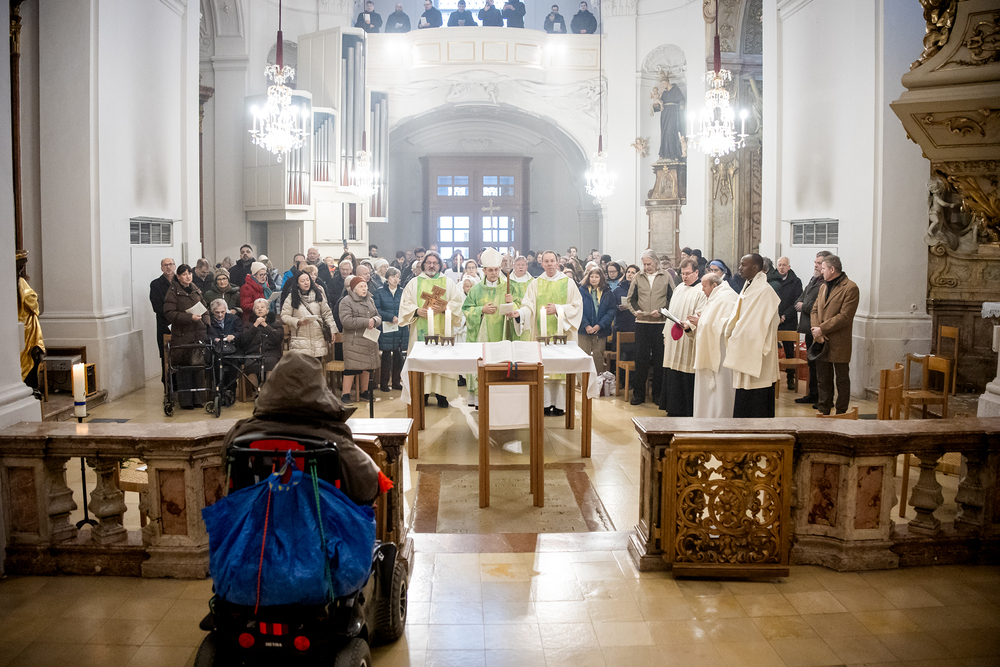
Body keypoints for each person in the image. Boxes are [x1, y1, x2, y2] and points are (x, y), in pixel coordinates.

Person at [220, 351, 382, 506]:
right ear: (319, 389)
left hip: (254, 522)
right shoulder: (334, 441)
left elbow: (228, 476)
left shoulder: (239, 434)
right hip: (320, 524)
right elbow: (367, 489)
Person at [511, 250, 584, 416]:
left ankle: (560, 405)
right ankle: (543, 404)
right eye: (546, 261)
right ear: (542, 264)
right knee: (543, 370)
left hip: (563, 336)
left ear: (557, 263)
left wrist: (558, 309)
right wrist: (519, 313)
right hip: (541, 336)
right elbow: (528, 306)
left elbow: (577, 305)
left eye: (552, 261)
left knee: (561, 369)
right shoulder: (535, 283)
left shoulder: (568, 283)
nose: (550, 264)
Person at [399, 252, 465, 408]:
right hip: (420, 332)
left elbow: (457, 303)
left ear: (440, 265)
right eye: (428, 262)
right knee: (422, 362)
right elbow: (405, 303)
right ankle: (422, 394)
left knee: (443, 362)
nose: (431, 265)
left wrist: (445, 308)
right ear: (423, 265)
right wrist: (416, 311)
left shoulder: (448, 283)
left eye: (435, 263)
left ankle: (442, 396)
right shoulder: (414, 283)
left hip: (443, 331)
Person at [723, 253, 780, 418]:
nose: (739, 268)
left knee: (756, 394)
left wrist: (736, 333)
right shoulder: (749, 286)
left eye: (743, 265)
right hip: (746, 346)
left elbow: (758, 323)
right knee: (745, 392)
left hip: (757, 350)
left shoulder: (764, 291)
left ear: (755, 267)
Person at [461, 249, 512, 407]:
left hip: (501, 333)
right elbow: (466, 309)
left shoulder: (508, 287)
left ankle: (499, 398)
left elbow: (518, 307)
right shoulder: (476, 289)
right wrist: (481, 310)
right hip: (480, 335)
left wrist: (511, 303)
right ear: (484, 271)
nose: (494, 273)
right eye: (490, 270)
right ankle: (479, 399)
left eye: (496, 269)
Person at [811, 255, 859, 416]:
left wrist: (822, 329)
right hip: (821, 339)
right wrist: (816, 331)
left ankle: (841, 412)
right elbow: (815, 309)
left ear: (832, 269)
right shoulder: (823, 287)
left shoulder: (850, 288)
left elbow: (845, 317)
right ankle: (824, 410)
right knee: (823, 378)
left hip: (839, 341)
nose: (821, 271)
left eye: (824, 268)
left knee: (842, 379)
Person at [658, 258, 707, 417]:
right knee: (672, 372)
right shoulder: (679, 288)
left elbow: (700, 314)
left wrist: (689, 325)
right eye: (683, 273)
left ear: (696, 272)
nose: (685, 276)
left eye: (688, 273)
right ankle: (672, 408)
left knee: (685, 374)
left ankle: (685, 411)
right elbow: (671, 312)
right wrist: (666, 334)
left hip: (688, 339)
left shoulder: (701, 291)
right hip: (674, 339)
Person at [625, 250, 672, 405]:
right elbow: (631, 299)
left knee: (659, 360)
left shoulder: (666, 276)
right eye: (644, 264)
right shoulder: (638, 277)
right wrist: (636, 312)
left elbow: (672, 298)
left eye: (649, 264)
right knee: (641, 360)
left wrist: (662, 312)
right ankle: (638, 394)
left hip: (660, 324)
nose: (646, 267)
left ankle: (658, 394)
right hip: (642, 324)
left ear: (656, 262)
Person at [691, 273, 740, 418]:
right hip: (710, 347)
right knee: (706, 390)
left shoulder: (727, 297)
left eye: (704, 286)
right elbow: (711, 319)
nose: (702, 290)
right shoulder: (715, 297)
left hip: (721, 351)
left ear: (714, 285)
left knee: (720, 389)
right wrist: (701, 321)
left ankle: (720, 418)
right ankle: (704, 417)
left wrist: (701, 322)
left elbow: (729, 325)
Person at [163, 264, 209, 407]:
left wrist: (206, 323)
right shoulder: (173, 292)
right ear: (178, 277)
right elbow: (169, 313)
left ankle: (199, 400)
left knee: (198, 366)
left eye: (189, 273)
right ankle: (186, 401)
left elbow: (205, 308)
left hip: (198, 334)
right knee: (185, 369)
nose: (188, 276)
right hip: (182, 335)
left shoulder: (196, 290)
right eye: (184, 274)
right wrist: (190, 318)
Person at [794, 251, 832, 406]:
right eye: (815, 263)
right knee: (811, 364)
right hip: (808, 328)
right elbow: (802, 297)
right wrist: (800, 303)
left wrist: (804, 306)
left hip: (818, 329)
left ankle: (822, 397)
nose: (815, 266)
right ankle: (813, 394)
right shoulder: (814, 279)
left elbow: (819, 307)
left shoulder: (826, 284)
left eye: (819, 263)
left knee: (820, 365)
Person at [339, 276, 382, 404]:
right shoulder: (346, 301)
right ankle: (345, 394)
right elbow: (346, 321)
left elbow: (378, 316)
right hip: (354, 340)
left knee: (367, 367)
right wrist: (366, 322)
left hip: (369, 339)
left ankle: (364, 392)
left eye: (365, 286)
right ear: (354, 289)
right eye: (361, 287)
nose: (364, 289)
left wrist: (374, 320)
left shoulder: (370, 300)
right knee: (351, 368)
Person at [281, 272, 338, 362]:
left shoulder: (318, 295)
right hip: (300, 340)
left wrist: (332, 329)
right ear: (297, 284)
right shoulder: (291, 297)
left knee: (316, 367)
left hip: (317, 338)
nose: (306, 283)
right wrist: (297, 321)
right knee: (302, 368)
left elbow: (327, 313)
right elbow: (284, 316)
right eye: (302, 281)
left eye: (308, 280)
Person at [374, 267, 407, 392]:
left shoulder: (403, 292)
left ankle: (396, 382)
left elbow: (406, 307)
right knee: (386, 356)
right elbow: (377, 310)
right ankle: (384, 383)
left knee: (398, 356)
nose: (395, 279)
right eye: (393, 277)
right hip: (386, 326)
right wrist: (390, 317)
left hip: (400, 326)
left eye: (397, 277)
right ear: (387, 278)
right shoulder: (379, 292)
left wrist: (400, 317)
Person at [205, 298, 243, 404]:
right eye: (217, 312)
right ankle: (219, 391)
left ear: (226, 310)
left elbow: (241, 333)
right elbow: (205, 335)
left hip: (232, 349)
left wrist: (233, 336)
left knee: (233, 363)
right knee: (216, 363)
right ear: (212, 312)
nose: (220, 315)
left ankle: (230, 391)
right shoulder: (208, 321)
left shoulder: (234, 319)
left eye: (222, 312)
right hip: (216, 350)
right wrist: (214, 339)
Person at [237, 298, 283, 385]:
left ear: (267, 310)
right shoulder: (248, 324)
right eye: (257, 308)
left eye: (262, 307)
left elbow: (278, 338)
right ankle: (256, 391)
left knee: (271, 365)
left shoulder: (275, 323)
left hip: (270, 353)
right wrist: (255, 326)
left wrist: (265, 326)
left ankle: (267, 391)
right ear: (254, 311)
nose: (260, 309)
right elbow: (244, 341)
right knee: (250, 366)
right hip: (253, 353)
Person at [774, 256, 803, 391]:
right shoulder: (772, 280)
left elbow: (797, 301)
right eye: (779, 265)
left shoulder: (796, 281)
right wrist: (775, 316)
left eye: (784, 265)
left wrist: (784, 316)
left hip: (789, 320)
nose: (781, 267)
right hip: (774, 319)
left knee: (789, 351)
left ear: (789, 267)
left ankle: (790, 378)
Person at [579, 267, 614, 374]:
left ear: (601, 278)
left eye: (597, 277)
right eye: (591, 276)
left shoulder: (607, 292)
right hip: (584, 329)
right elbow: (578, 309)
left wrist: (600, 325)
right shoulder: (581, 291)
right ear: (588, 277)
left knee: (598, 356)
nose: (594, 279)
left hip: (600, 330)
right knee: (584, 355)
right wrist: (586, 325)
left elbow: (611, 310)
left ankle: (598, 380)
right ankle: (583, 381)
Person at [17, 259, 44, 390]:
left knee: (30, 356)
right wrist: (35, 297)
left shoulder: (16, 282)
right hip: (26, 326)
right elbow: (31, 301)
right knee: (28, 357)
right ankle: (30, 387)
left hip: (25, 325)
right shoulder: (20, 282)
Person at [150, 257, 175, 384]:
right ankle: (168, 385)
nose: (168, 267)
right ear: (161, 268)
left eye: (170, 264)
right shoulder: (156, 284)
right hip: (165, 324)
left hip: (181, 324)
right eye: (165, 265)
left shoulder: (180, 281)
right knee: (166, 355)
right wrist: (173, 316)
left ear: (174, 266)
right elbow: (157, 307)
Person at [652, 72, 686, 160]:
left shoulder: (676, 90)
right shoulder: (664, 93)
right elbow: (660, 106)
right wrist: (655, 106)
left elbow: (681, 100)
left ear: (667, 82)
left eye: (663, 84)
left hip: (673, 114)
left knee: (671, 131)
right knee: (665, 133)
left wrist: (682, 104)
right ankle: (665, 153)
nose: (663, 86)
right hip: (665, 115)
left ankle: (673, 154)